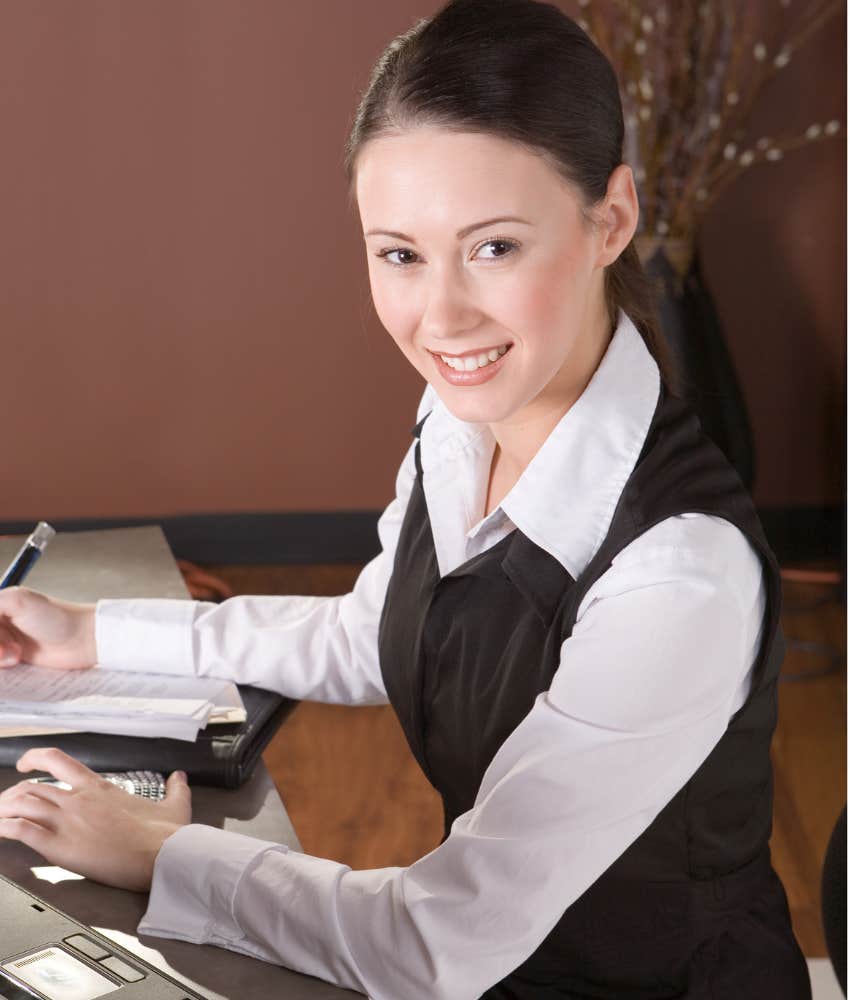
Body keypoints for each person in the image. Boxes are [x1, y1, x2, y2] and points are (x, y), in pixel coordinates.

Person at [0, 1, 811, 997]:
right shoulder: (463, 414)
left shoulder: (677, 574)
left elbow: (438, 941)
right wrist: (88, 632)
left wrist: (165, 858)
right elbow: (376, 632)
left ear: (612, 219)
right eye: (399, 253)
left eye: (494, 247)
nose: (441, 317)